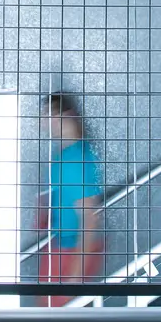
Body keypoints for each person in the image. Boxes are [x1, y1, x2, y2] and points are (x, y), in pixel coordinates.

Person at [38, 91, 104, 306]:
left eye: (47, 115)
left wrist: (74, 275)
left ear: (63, 116)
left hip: (70, 252)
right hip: (61, 248)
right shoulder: (64, 155)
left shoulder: (76, 158)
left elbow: (89, 218)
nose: (42, 122)